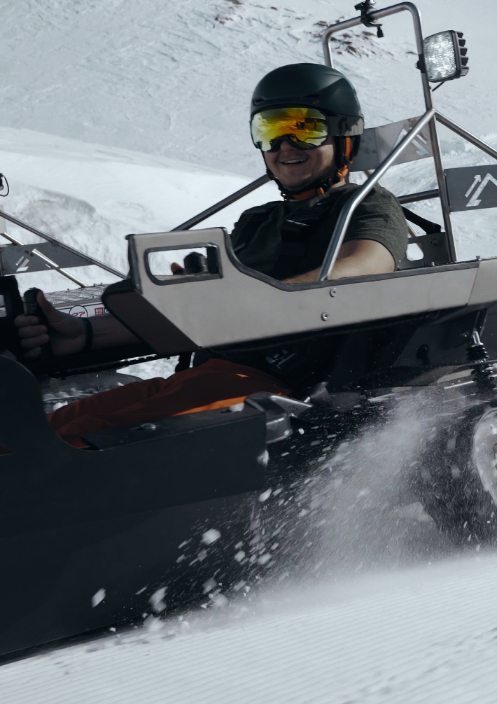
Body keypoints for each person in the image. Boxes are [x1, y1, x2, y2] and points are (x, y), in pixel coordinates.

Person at [13, 63, 411, 446]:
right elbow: (205, 314)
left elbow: (365, 264)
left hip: (270, 386)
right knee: (34, 433)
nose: (285, 145)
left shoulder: (367, 204)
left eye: (305, 129)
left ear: (344, 134)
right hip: (207, 374)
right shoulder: (258, 220)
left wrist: (260, 297)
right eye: (270, 130)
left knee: (78, 441)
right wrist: (81, 335)